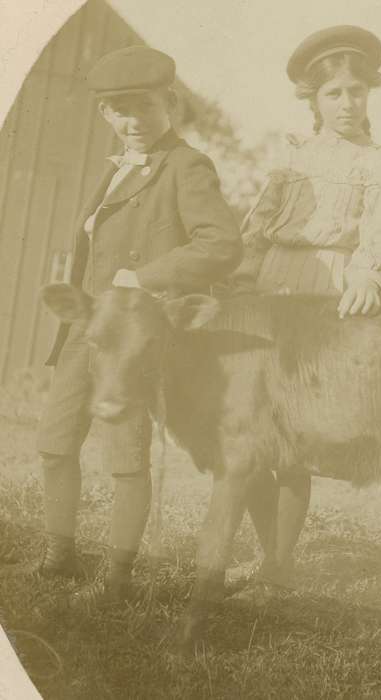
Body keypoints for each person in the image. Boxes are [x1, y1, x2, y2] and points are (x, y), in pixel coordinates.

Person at [6, 45, 242, 606]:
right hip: (89, 330)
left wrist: (147, 276)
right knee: (54, 444)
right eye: (118, 110)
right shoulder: (114, 170)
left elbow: (223, 244)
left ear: (171, 103)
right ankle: (58, 556)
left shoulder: (187, 165)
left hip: (133, 340)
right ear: (104, 115)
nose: (132, 121)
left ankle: (116, 578)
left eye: (143, 107)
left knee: (125, 457)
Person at [230, 26, 381, 593]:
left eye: (357, 92)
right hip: (273, 287)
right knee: (252, 429)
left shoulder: (379, 160)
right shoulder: (291, 158)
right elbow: (258, 228)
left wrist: (366, 271)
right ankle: (271, 557)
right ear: (312, 100)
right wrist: (242, 277)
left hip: (332, 289)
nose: (347, 104)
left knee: (292, 436)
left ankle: (278, 568)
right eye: (333, 94)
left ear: (370, 95)